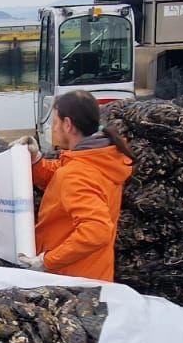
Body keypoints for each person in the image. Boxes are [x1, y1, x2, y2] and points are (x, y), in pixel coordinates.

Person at [17, 91, 135, 282]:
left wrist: (47, 261)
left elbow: (96, 231)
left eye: (55, 123)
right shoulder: (102, 156)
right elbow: (58, 177)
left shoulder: (77, 173)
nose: (54, 129)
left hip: (72, 280)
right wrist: (36, 159)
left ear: (68, 124)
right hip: (95, 273)